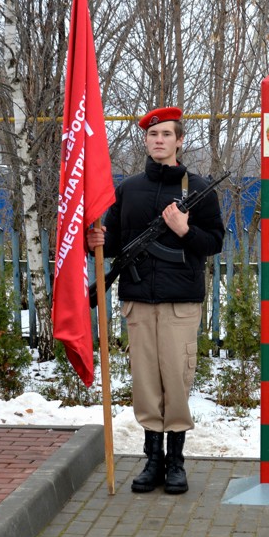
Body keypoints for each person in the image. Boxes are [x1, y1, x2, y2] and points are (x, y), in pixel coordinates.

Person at [87, 106, 225, 494]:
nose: (159, 141)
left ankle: (176, 463)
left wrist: (184, 229)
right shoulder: (128, 188)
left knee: (176, 381)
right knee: (146, 381)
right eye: (153, 135)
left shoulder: (196, 189)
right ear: (145, 141)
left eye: (166, 134)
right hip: (138, 301)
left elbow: (214, 242)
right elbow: (112, 242)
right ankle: (153, 461)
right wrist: (92, 241)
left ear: (179, 141)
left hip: (180, 302)